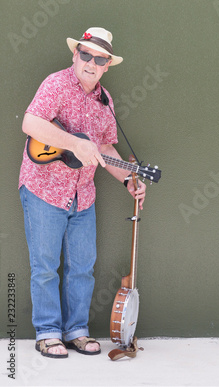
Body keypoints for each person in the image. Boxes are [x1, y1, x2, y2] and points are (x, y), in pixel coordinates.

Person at [19, 27, 146, 358]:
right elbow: (31, 124)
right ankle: (48, 332)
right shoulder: (56, 84)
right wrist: (75, 143)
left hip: (82, 194)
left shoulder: (106, 102)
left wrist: (128, 180)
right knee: (45, 265)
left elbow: (106, 147)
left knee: (82, 265)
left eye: (99, 58)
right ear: (76, 55)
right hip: (44, 189)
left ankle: (76, 330)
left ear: (107, 66)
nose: (91, 62)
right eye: (86, 54)